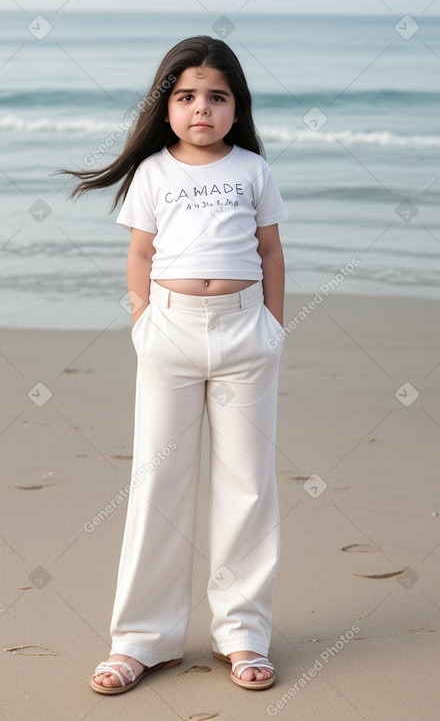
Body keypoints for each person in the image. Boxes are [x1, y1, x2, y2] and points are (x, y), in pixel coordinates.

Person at [60, 35, 288, 694]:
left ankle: (243, 635)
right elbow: (140, 255)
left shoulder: (252, 170)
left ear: (236, 109)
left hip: (247, 335)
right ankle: (140, 640)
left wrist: (272, 325)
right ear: (166, 108)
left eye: (216, 98)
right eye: (186, 97)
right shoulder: (154, 173)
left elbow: (270, 252)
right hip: (169, 335)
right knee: (159, 485)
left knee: (247, 486)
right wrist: (143, 324)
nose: (200, 110)